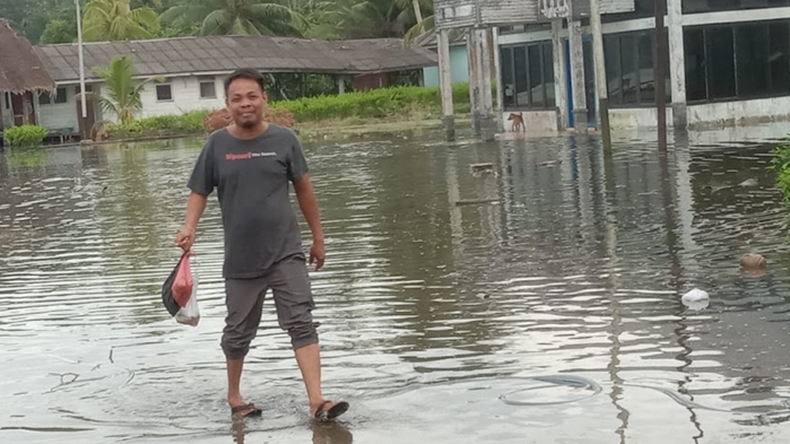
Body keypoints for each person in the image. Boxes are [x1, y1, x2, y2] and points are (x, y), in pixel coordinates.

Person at [174, 68, 348, 422]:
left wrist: (318, 237)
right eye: (237, 99)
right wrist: (189, 226)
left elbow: (305, 191)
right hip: (240, 259)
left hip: (286, 252)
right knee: (238, 330)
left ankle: (317, 401)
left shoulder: (285, 140)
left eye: (252, 96)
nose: (245, 104)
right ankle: (235, 395)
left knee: (301, 321)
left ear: (264, 99)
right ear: (227, 105)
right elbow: (199, 191)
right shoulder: (217, 145)